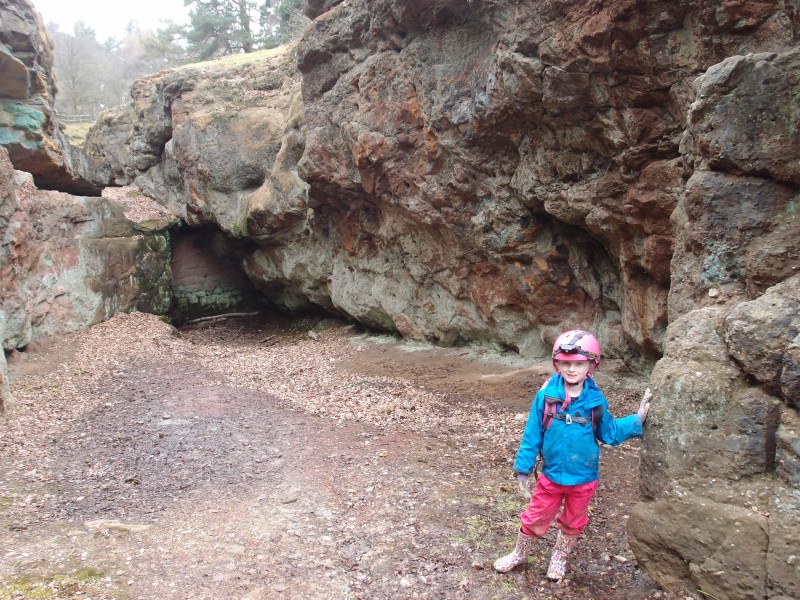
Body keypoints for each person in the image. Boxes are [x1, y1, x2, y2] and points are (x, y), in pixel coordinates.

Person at [493, 329, 651, 580]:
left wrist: (636, 421)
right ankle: (519, 554)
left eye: (578, 363)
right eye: (565, 363)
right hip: (551, 474)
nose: (571, 369)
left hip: (584, 477)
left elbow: (609, 432)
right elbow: (532, 433)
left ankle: (559, 557)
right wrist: (523, 468)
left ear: (591, 364)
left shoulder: (595, 401)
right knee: (535, 516)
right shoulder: (546, 396)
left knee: (573, 520)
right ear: (557, 363)